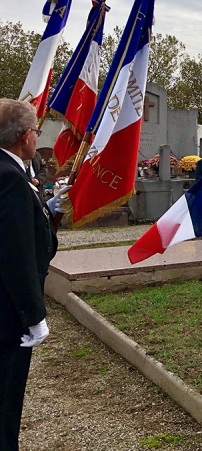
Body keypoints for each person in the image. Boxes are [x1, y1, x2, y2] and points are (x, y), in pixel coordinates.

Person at [0, 99, 67, 449]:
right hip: (7, 316)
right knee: (5, 403)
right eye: (36, 131)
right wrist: (34, 315)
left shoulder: (11, 172)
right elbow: (15, 254)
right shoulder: (10, 177)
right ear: (26, 136)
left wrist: (44, 207)